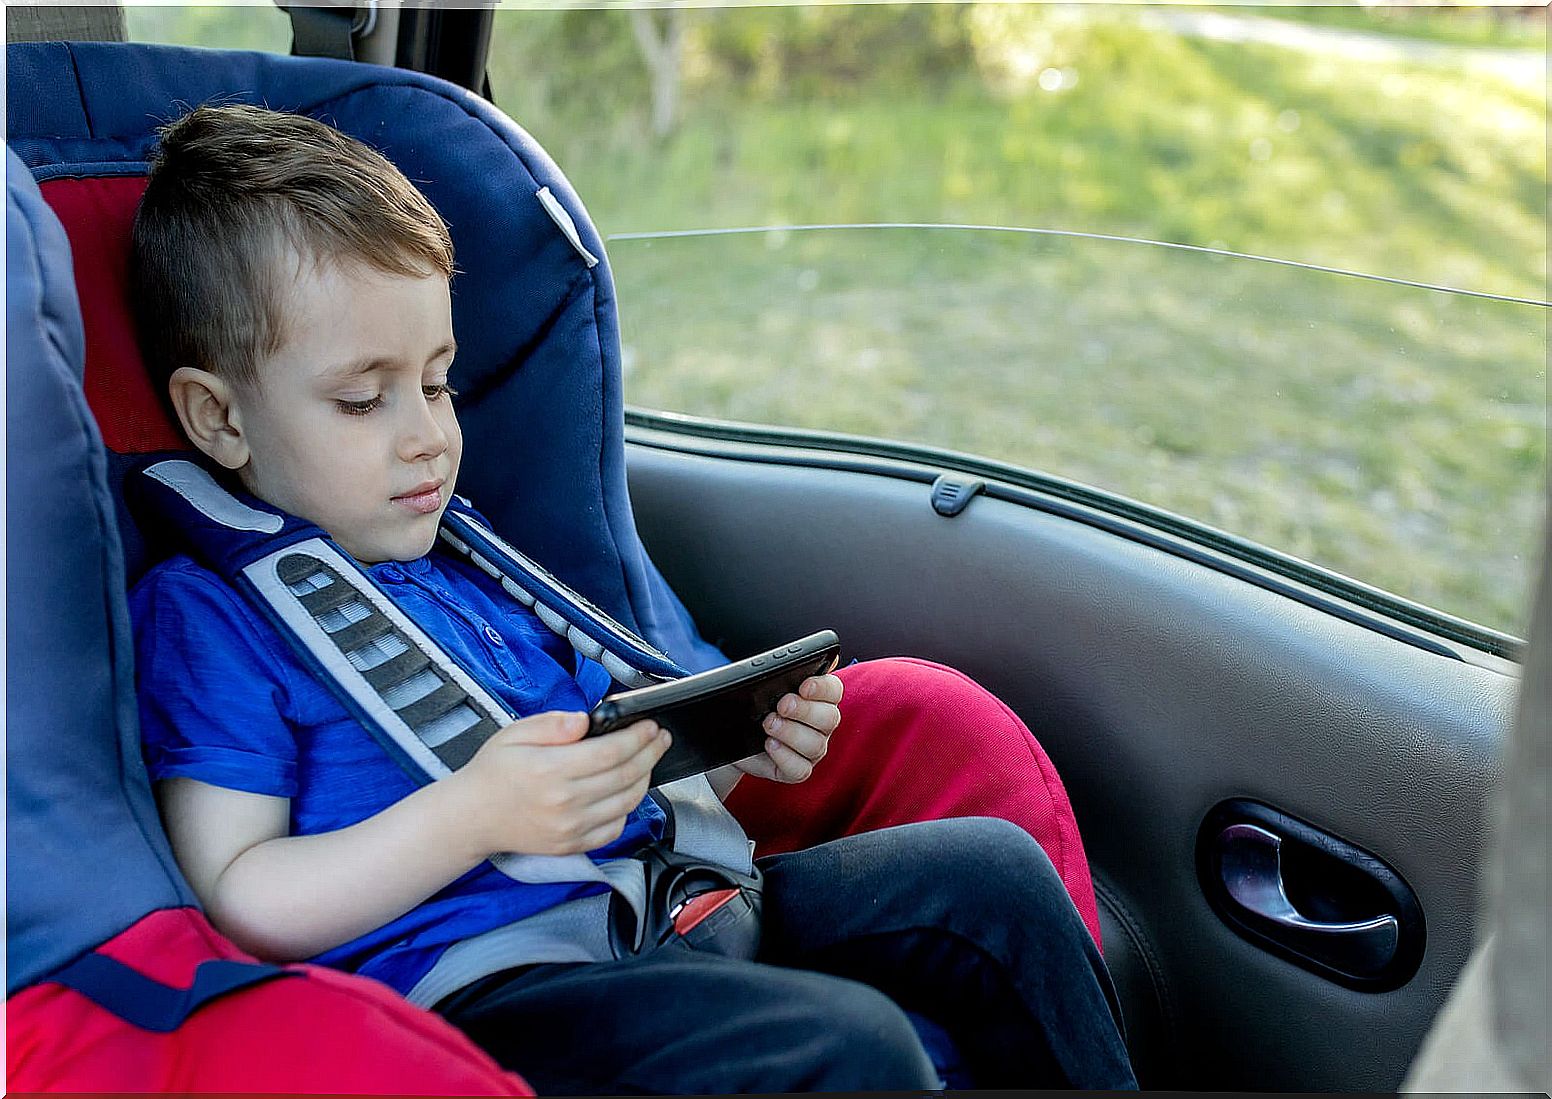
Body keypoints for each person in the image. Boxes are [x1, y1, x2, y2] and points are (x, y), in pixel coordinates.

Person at [128, 103, 1136, 1094]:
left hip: (667, 906)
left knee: (992, 877)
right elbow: (240, 893)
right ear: (218, 418)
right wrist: (470, 816)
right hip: (496, 992)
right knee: (848, 1040)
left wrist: (735, 753)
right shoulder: (211, 614)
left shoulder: (473, 571)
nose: (426, 433)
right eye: (362, 399)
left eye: (437, 384)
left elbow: (622, 768)